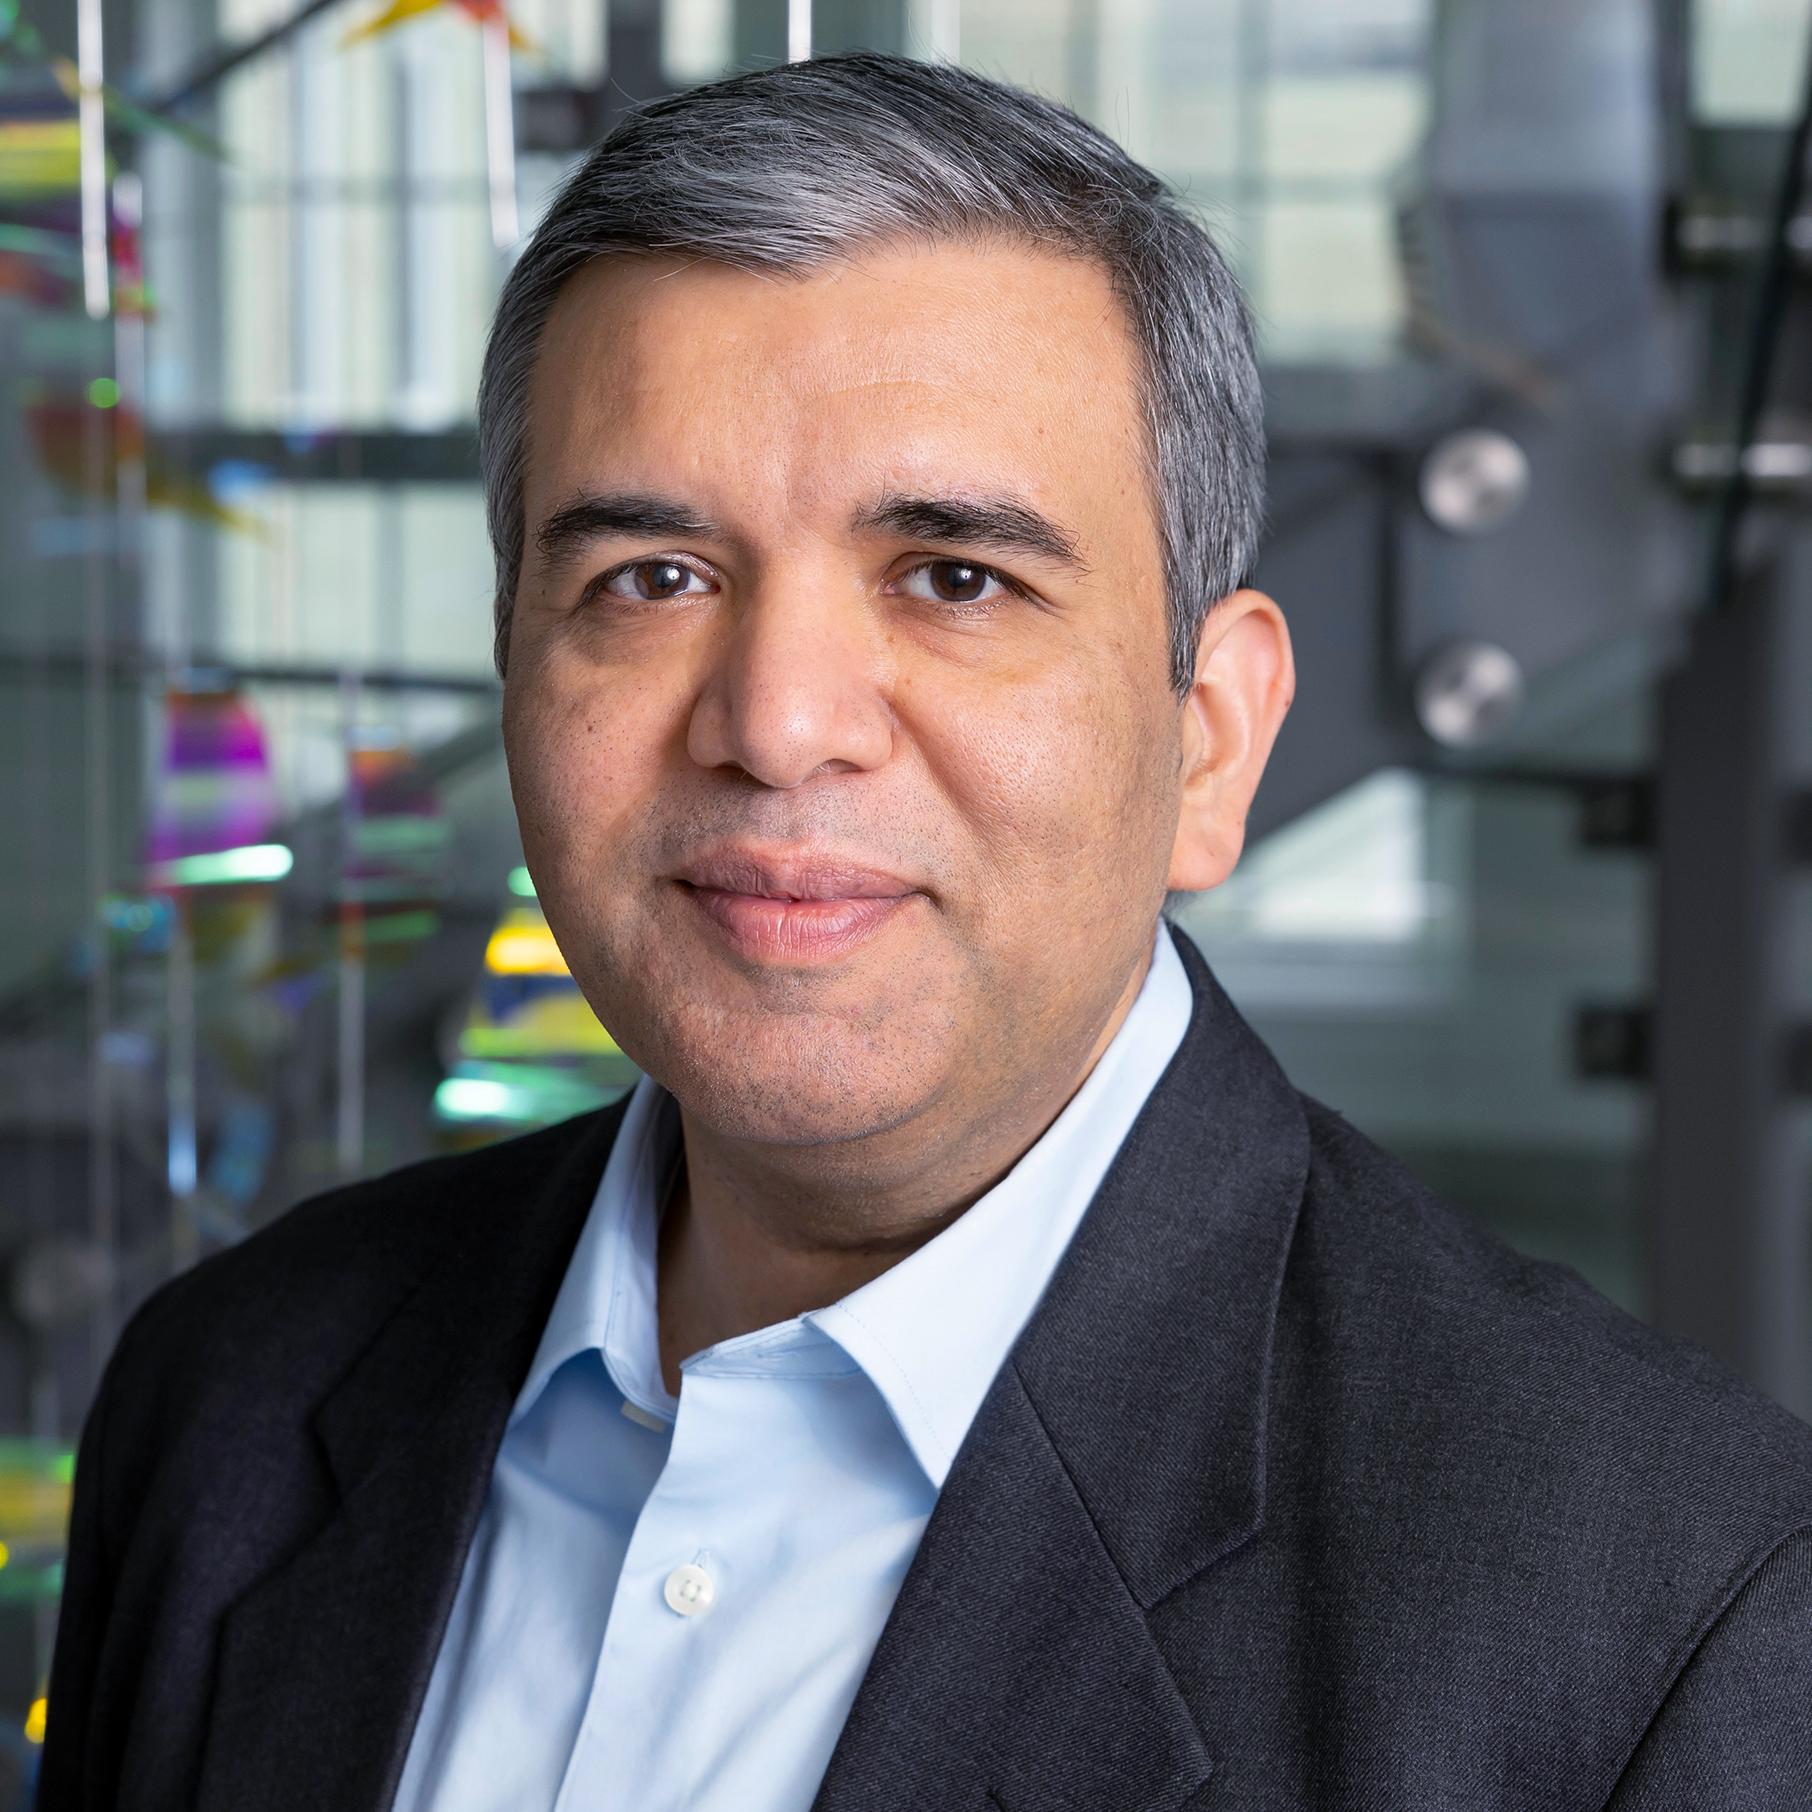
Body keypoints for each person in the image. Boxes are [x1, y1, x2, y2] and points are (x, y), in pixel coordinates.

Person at [37, 52, 1812, 1812]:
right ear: (514, 671)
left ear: (1213, 737)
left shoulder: (1664, 1620)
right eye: (650, 578)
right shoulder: (234, 1399)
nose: (781, 717)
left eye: (956, 578)